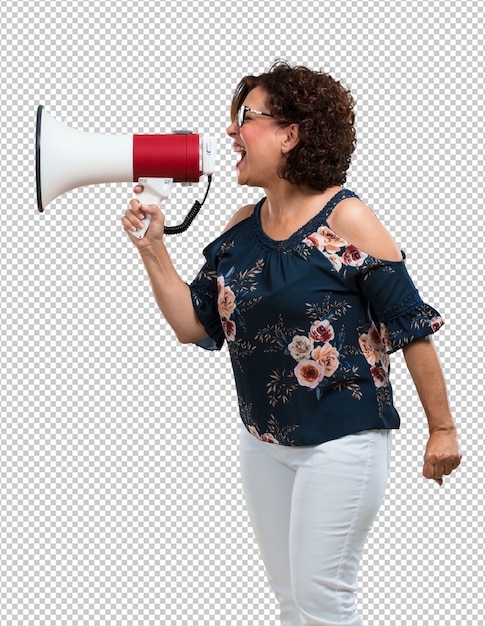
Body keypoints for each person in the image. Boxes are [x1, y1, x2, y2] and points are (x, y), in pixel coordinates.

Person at [122, 61, 461, 626]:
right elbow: (192, 325)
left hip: (343, 437)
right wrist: (153, 248)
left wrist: (443, 429)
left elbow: (410, 326)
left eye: (245, 119)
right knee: (290, 600)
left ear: (291, 134)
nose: (231, 133)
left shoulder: (346, 218)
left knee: (321, 596)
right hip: (263, 441)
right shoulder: (239, 229)